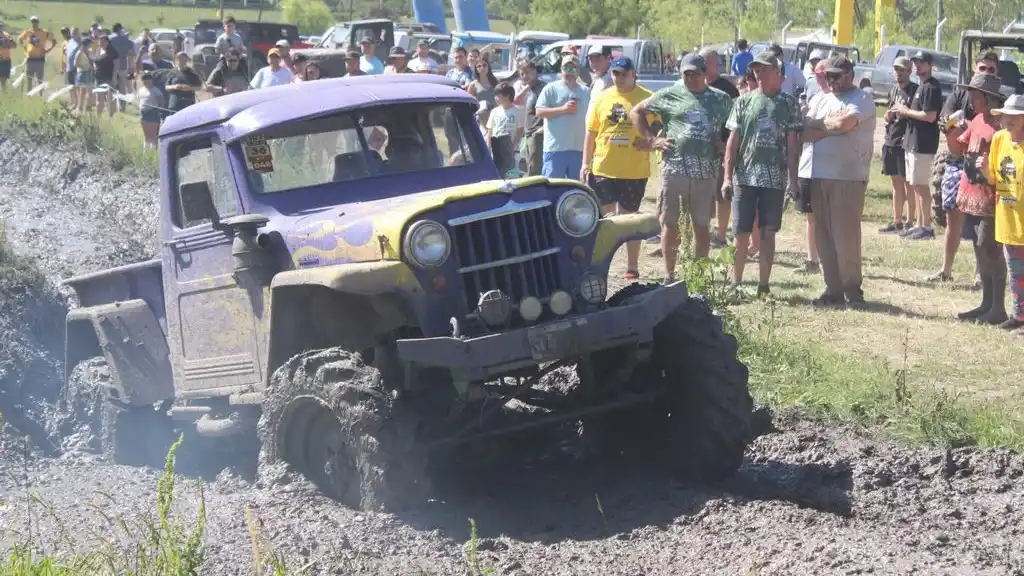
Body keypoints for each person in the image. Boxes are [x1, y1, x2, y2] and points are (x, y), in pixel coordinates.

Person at [630, 53, 733, 281]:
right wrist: (652, 139)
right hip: (674, 168)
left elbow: (736, 127)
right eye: (686, 74)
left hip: (705, 171)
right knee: (670, 224)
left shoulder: (721, 99)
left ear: (705, 74)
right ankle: (669, 274)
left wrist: (725, 144)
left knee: (702, 225)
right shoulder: (670, 94)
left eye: (695, 74)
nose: (690, 78)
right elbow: (636, 111)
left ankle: (698, 276)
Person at [722, 51, 802, 297]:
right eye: (756, 68)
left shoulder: (788, 103)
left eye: (764, 69)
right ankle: (736, 283)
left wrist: (794, 180)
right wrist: (726, 177)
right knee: (741, 232)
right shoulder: (743, 102)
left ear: (777, 73)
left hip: (774, 179)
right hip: (745, 177)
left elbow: (792, 145)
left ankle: (763, 285)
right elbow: (732, 142)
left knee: (768, 231)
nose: (758, 72)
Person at [801, 55, 876, 307]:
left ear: (849, 75)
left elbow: (845, 123)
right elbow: (805, 132)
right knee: (823, 236)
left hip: (849, 176)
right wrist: (827, 126)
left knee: (846, 236)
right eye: (827, 76)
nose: (830, 81)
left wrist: (824, 126)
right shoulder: (820, 99)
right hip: (819, 174)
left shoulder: (861, 99)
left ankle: (852, 291)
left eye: (836, 76)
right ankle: (832, 289)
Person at [928, 51, 1002, 284]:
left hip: (988, 177)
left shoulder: (1002, 107)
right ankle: (946, 270)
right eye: (983, 68)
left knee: (984, 229)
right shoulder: (962, 96)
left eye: (991, 69)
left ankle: (984, 277)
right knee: (955, 219)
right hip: (961, 167)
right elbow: (949, 130)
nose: (987, 72)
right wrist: (957, 128)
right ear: (974, 69)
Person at [583, 57, 653, 281]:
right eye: (615, 74)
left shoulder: (647, 98)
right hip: (603, 166)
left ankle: (632, 266)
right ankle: (598, 264)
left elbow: (660, 127)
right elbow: (591, 132)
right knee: (602, 220)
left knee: (629, 218)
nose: (619, 78)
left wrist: (651, 142)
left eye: (624, 74)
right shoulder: (602, 98)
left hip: (633, 169)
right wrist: (585, 163)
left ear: (634, 73)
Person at [952, 74, 1006, 324]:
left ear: (988, 97)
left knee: (990, 248)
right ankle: (986, 303)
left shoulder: (1000, 125)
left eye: (975, 93)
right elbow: (957, 149)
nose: (971, 98)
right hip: (971, 195)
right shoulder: (976, 119)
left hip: (989, 198)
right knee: (978, 247)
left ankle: (998, 307)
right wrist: (949, 130)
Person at [892, 50, 943, 240]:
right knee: (914, 184)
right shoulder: (922, 86)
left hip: (923, 143)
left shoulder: (931, 87)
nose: (918, 65)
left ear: (930, 65)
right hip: (912, 142)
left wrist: (906, 112)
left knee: (921, 186)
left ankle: (927, 227)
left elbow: (930, 116)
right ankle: (920, 224)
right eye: (916, 62)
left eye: (922, 62)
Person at [986, 94, 1024, 332]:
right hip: (1008, 218)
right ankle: (1018, 315)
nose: (1008, 120)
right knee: (1016, 271)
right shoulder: (999, 139)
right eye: (1005, 116)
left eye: (1014, 116)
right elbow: (992, 176)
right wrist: (982, 169)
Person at [698, 47, 740, 251]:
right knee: (700, 194)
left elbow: (736, 121)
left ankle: (721, 234)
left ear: (717, 64)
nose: (705, 66)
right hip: (699, 150)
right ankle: (700, 231)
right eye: (702, 62)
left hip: (722, 149)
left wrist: (727, 144)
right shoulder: (693, 85)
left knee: (722, 194)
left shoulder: (728, 89)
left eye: (708, 63)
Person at [793, 58, 829, 275]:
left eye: (824, 73)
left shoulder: (838, 99)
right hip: (808, 163)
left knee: (828, 216)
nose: (821, 78)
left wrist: (815, 129)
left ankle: (828, 260)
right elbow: (803, 130)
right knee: (811, 214)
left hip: (829, 165)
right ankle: (812, 259)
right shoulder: (814, 99)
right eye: (817, 73)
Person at [878, 56, 919, 235]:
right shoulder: (894, 90)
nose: (898, 72)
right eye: (896, 69)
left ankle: (910, 220)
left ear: (910, 71)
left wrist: (906, 114)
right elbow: (889, 114)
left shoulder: (915, 91)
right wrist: (888, 116)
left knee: (909, 183)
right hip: (891, 139)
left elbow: (918, 116)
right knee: (896, 182)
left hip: (906, 141)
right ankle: (897, 220)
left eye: (902, 69)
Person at [535, 54, 590, 180]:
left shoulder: (586, 92)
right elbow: (539, 111)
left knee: (575, 188)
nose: (570, 72)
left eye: (573, 69)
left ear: (578, 71)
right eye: (567, 69)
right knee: (553, 186)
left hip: (579, 149)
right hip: (555, 149)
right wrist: (563, 110)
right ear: (561, 69)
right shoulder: (551, 88)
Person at [515, 61, 546, 176]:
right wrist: (527, 86)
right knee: (527, 165)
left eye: (527, 73)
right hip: (528, 133)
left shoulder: (543, 88)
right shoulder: (529, 89)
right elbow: (516, 100)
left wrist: (543, 127)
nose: (524, 76)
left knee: (534, 169)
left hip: (537, 133)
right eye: (522, 74)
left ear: (535, 71)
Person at [486, 83, 523, 177]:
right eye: (495, 96)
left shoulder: (517, 111)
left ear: (508, 96)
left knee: (511, 174)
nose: (496, 98)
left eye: (498, 96)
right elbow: (490, 131)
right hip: (497, 148)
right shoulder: (495, 111)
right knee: (498, 173)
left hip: (510, 149)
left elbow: (520, 131)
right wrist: (488, 146)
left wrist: (514, 145)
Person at [17, 16, 56, 93]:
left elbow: (54, 41)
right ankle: (29, 95)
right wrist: (24, 46)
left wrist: (48, 49)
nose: (34, 23)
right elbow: (20, 39)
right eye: (32, 21)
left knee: (40, 80)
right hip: (30, 59)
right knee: (29, 79)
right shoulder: (28, 32)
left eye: (35, 21)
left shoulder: (44, 32)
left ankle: (40, 96)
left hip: (39, 60)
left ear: (38, 22)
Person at [109, 23, 135, 113]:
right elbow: (131, 54)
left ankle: (111, 107)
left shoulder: (109, 39)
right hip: (123, 66)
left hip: (111, 66)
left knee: (111, 87)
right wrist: (131, 66)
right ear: (120, 29)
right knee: (122, 87)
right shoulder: (126, 40)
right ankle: (122, 107)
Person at [92, 35, 119, 117]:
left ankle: (111, 117)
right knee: (99, 99)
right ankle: (98, 117)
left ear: (107, 42)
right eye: (100, 41)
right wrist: (95, 67)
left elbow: (116, 66)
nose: (101, 43)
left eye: (103, 41)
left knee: (110, 99)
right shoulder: (97, 50)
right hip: (98, 77)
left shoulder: (113, 52)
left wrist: (114, 78)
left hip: (109, 78)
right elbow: (94, 61)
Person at [467, 57, 499, 125]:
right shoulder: (473, 85)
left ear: (488, 67)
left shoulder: (496, 83)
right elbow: (469, 105)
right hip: (480, 118)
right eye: (479, 66)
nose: (482, 68)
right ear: (476, 69)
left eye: (484, 65)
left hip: (495, 117)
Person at [138, 71, 165, 149]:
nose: (146, 80)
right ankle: (146, 152)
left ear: (151, 80)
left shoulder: (155, 90)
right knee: (146, 136)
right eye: (144, 78)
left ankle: (153, 151)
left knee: (153, 136)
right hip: (143, 113)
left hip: (152, 112)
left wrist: (157, 110)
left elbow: (161, 101)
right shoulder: (141, 89)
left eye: (148, 78)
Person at [585, 44, 612, 121]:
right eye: (591, 60)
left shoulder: (613, 79)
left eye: (598, 59)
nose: (594, 63)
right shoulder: (597, 78)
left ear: (608, 58)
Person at [71, 37, 95, 113]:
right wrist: (84, 67)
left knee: (88, 90)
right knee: (82, 91)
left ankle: (87, 106)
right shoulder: (79, 53)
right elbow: (76, 64)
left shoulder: (89, 52)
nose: (90, 46)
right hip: (82, 73)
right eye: (89, 44)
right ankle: (79, 106)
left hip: (89, 72)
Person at [0, 23, 12, 90]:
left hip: (6, 60)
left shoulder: (7, 35)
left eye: (1, 27)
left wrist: (7, 43)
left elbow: (13, 45)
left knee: (4, 79)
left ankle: (4, 94)